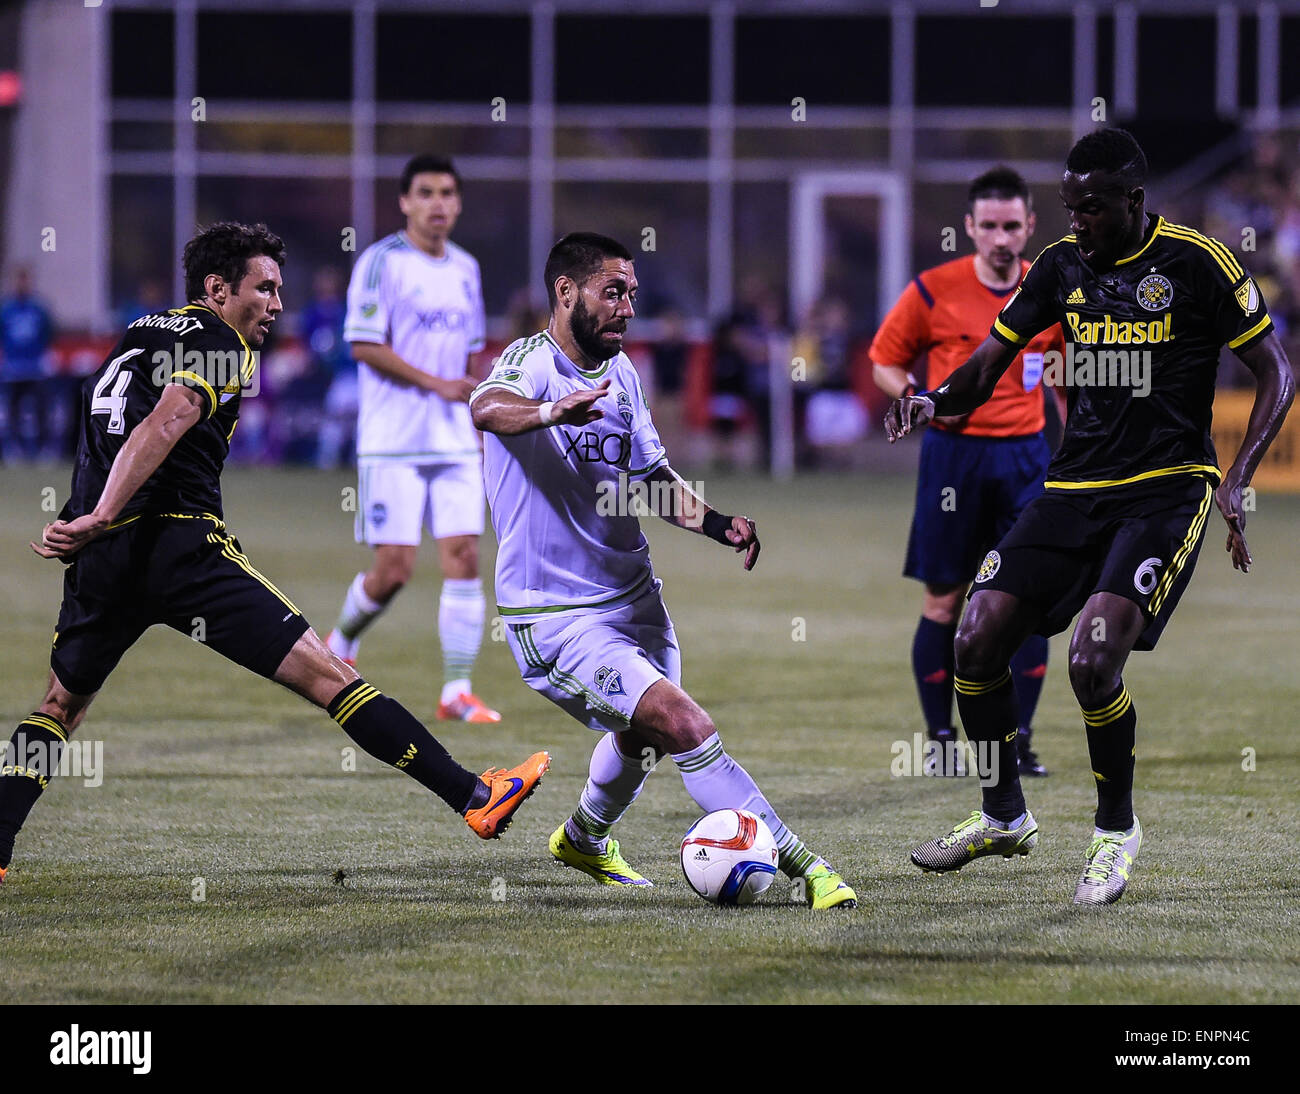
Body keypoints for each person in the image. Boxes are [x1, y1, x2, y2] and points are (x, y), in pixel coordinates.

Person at [1, 222, 548, 887]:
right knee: (328, 674)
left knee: (59, 705)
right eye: (264, 288)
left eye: (279, 289)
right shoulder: (224, 344)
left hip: (102, 558)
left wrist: (88, 519)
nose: (277, 304)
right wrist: (106, 511)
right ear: (216, 289)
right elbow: (168, 418)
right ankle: (477, 798)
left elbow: (104, 430)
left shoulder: (140, 333)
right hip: (178, 548)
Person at [886, 129, 1294, 905]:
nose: (1077, 221)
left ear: (1135, 202)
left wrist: (1239, 479)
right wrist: (935, 400)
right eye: (1070, 207)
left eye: (1093, 208)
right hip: (1072, 488)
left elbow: (1276, 368)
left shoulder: (1198, 263)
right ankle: (1003, 814)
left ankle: (1115, 832)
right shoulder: (1059, 267)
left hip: (1167, 488)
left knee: (1091, 657)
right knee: (975, 636)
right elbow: (988, 363)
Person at [470, 232, 857, 910]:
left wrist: (718, 523)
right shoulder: (531, 364)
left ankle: (584, 838)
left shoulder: (623, 376)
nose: (626, 307)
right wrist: (549, 412)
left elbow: (650, 479)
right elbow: (485, 407)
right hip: (556, 612)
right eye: (612, 291)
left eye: (632, 294)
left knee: (642, 737)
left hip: (633, 594)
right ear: (566, 292)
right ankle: (807, 866)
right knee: (684, 725)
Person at [871, 168, 1066, 777]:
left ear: (1030, 226)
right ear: (970, 229)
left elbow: (1068, 369)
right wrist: (909, 392)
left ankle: (1019, 740)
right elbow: (883, 357)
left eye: (1013, 225)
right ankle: (940, 740)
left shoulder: (1053, 286)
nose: (1002, 237)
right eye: (990, 226)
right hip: (954, 459)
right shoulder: (934, 290)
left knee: (1028, 600)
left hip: (1026, 458)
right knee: (945, 600)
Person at [325, 155, 499, 724]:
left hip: (452, 438)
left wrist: (477, 418)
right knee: (395, 570)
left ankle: (456, 691)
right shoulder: (380, 263)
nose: (438, 203)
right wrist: (436, 384)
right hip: (392, 440)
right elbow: (363, 345)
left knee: (465, 556)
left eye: (448, 192)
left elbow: (473, 353)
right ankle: (340, 642)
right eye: (425, 193)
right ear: (405, 202)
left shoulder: (467, 268)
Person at [0, 266, 56, 461]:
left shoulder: (38, 308)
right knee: (13, 410)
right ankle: (14, 449)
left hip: (35, 368)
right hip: (13, 368)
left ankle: (43, 449)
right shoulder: (6, 309)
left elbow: (49, 333)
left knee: (41, 409)